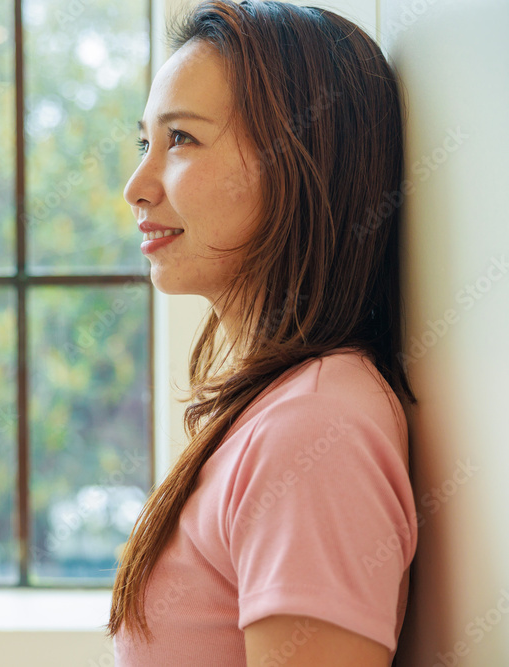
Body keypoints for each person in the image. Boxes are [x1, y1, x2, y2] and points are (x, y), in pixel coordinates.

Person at [107, 1, 418, 665]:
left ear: (295, 160)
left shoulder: (314, 430)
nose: (137, 185)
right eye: (145, 143)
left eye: (182, 139)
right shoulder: (279, 412)